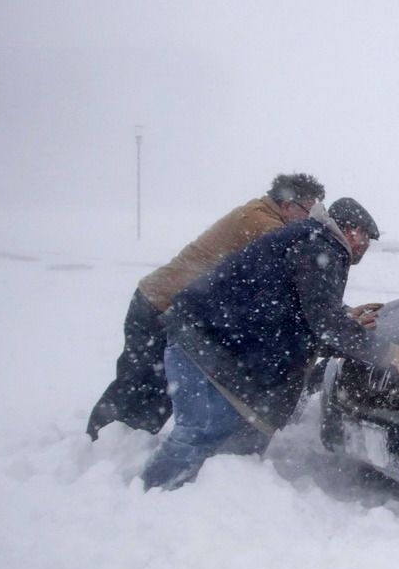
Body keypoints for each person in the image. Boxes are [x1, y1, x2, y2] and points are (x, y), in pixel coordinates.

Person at [140, 197, 399, 490]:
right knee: (198, 432)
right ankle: (149, 494)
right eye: (366, 237)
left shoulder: (312, 238)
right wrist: (384, 352)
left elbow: (305, 306)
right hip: (203, 342)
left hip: (220, 343)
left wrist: (344, 317)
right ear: (351, 231)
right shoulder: (321, 247)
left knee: (235, 436)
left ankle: (210, 498)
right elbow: (322, 322)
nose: (365, 245)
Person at [86, 173, 329, 441]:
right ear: (287, 205)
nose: (311, 219)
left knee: (158, 388)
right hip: (159, 304)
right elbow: (297, 271)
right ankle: (99, 444)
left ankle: (120, 445)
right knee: (138, 384)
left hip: (171, 307)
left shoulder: (261, 216)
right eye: (310, 210)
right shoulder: (260, 222)